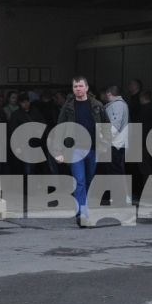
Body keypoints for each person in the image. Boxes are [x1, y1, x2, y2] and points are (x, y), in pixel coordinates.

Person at [53, 76, 101, 227]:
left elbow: (105, 126)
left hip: (93, 149)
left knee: (88, 180)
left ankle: (84, 209)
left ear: (87, 88)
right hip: (75, 150)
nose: (78, 89)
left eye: (80, 86)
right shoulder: (68, 107)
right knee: (80, 181)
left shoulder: (97, 105)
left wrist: (105, 144)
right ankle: (83, 215)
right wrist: (58, 151)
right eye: (75, 87)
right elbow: (59, 129)